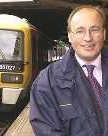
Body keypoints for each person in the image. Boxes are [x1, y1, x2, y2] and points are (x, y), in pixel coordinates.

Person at [30, 5, 108, 136]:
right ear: (70, 36)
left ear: (104, 34)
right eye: (80, 31)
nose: (88, 38)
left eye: (94, 30)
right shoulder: (46, 82)